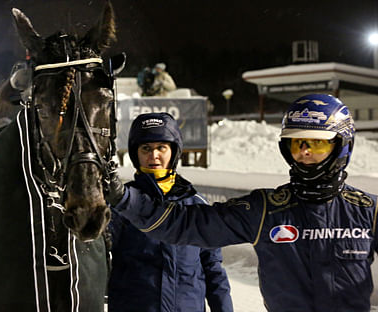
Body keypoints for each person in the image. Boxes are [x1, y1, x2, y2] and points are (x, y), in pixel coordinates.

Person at [106, 94, 378, 312]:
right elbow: (185, 224)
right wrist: (123, 198)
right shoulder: (266, 210)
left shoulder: (368, 212)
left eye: (316, 145)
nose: (305, 152)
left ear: (342, 145)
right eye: (297, 144)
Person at [107, 112, 233, 312]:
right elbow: (96, 258)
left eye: (161, 148)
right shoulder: (122, 205)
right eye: (146, 148)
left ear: (174, 151)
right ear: (135, 153)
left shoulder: (196, 205)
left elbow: (213, 269)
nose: (153, 155)